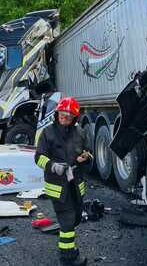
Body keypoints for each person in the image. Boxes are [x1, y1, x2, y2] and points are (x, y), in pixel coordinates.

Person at [34, 97, 92, 266]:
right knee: (67, 221)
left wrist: (85, 157)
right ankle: (67, 258)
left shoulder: (80, 132)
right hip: (57, 186)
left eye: (69, 115)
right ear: (57, 113)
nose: (64, 117)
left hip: (75, 184)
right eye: (62, 114)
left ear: (75, 117)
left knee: (75, 219)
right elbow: (38, 158)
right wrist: (53, 166)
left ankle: (69, 248)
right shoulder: (48, 133)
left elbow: (88, 151)